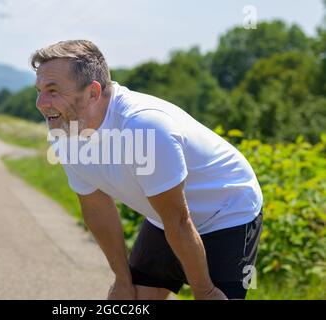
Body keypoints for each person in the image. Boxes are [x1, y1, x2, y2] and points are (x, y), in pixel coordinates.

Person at [30, 40, 263, 300]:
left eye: (52, 90)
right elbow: (97, 208)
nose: (41, 102)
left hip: (227, 211)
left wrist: (204, 291)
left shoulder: (144, 128)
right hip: (167, 218)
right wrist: (122, 280)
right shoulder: (65, 130)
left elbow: (179, 222)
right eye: (39, 90)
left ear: (93, 93)